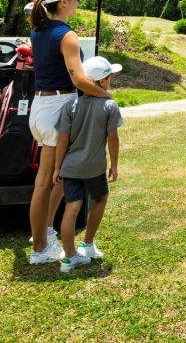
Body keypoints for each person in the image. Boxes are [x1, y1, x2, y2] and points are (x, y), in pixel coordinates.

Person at [26, 0, 112, 265]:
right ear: (63, 3)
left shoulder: (38, 31)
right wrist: (105, 94)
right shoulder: (67, 36)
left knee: (60, 176)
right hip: (57, 108)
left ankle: (45, 233)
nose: (77, 3)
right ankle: (39, 249)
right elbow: (78, 78)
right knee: (45, 182)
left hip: (41, 107)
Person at [54, 56, 124, 274]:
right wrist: (114, 165)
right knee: (100, 198)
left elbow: (62, 140)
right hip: (94, 167)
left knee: (71, 208)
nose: (110, 81)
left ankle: (69, 257)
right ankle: (88, 244)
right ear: (101, 82)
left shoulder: (69, 106)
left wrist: (57, 168)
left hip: (70, 166)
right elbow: (113, 139)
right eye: (109, 77)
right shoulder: (109, 106)